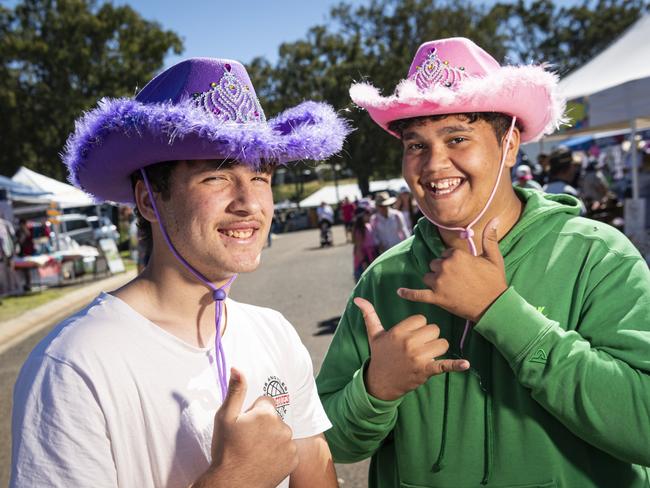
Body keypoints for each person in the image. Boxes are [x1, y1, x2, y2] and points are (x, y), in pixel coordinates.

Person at [317, 37, 650, 487]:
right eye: (416, 145)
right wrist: (376, 388)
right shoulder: (383, 278)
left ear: (509, 145)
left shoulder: (598, 256)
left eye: (457, 138)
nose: (433, 166)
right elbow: (329, 442)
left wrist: (502, 313)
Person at [11, 58, 350, 488]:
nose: (250, 202)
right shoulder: (74, 366)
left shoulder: (275, 333)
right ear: (150, 201)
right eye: (217, 176)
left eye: (260, 176)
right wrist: (233, 479)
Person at [352, 207, 377, 282]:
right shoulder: (359, 230)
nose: (369, 216)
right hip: (363, 262)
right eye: (367, 214)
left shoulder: (368, 225)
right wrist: (363, 262)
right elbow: (358, 249)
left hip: (371, 258)